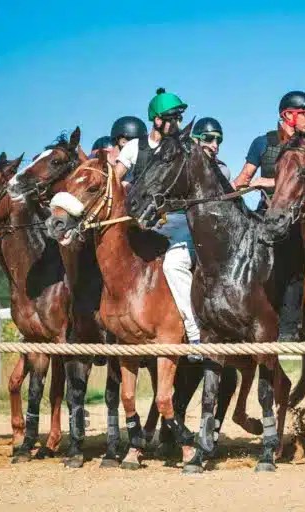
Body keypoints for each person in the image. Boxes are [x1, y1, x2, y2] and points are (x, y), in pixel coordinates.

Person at [113, 89, 202, 357]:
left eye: (178, 118)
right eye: (171, 118)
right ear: (156, 120)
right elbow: (114, 180)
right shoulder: (133, 148)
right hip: (141, 222)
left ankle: (195, 333)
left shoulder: (181, 147)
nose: (176, 124)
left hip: (176, 221)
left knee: (174, 265)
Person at [232, 91, 305, 341]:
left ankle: (290, 329)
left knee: (295, 262)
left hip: (296, 218)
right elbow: (243, 179)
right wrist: (225, 192)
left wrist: (266, 181)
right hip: (264, 215)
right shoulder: (262, 143)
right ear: (288, 115)